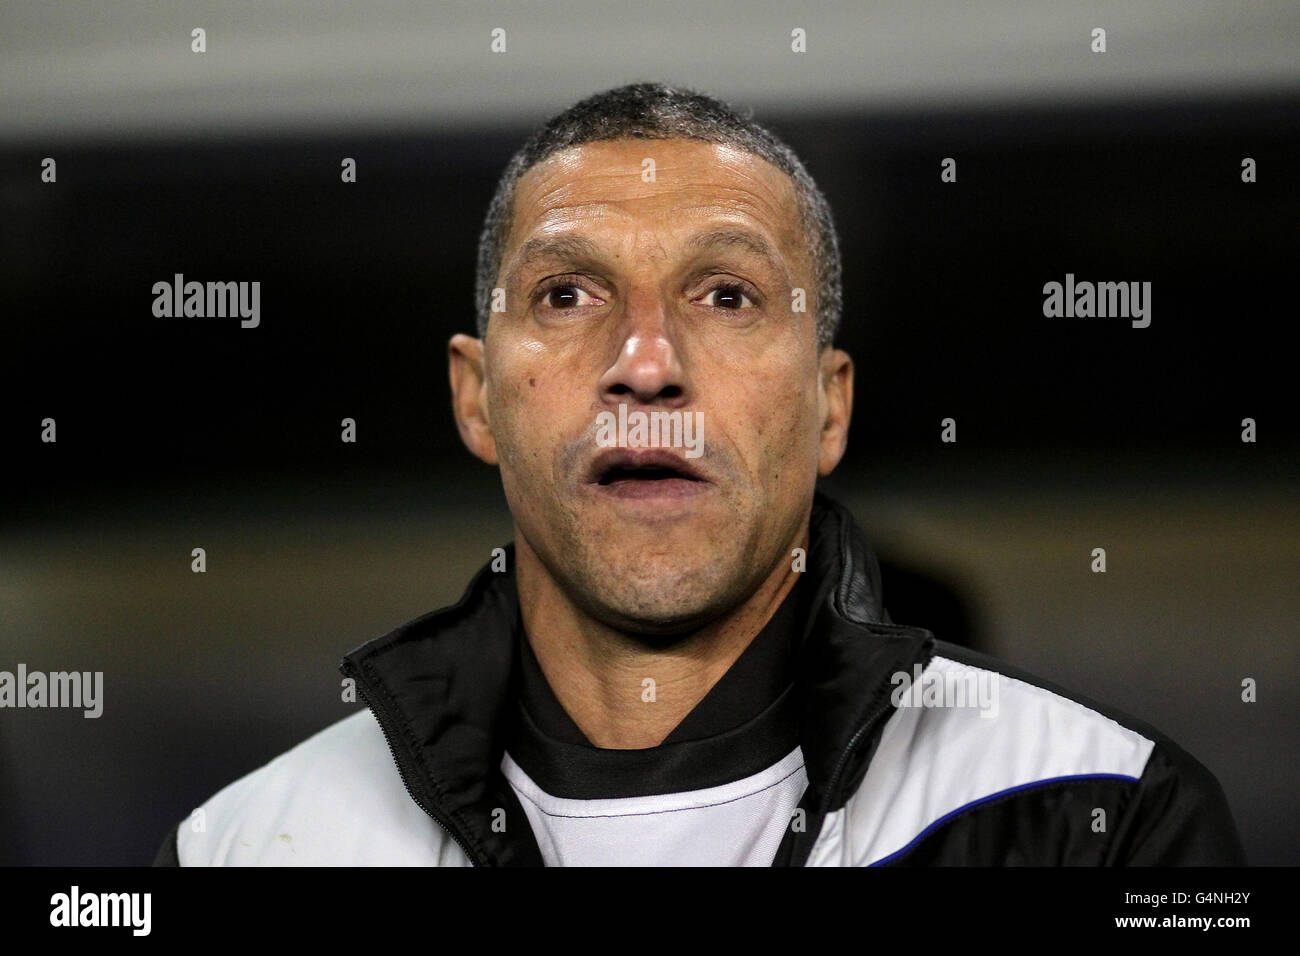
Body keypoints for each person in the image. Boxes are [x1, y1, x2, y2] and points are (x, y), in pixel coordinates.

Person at [155, 82, 1245, 866]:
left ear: (830, 403)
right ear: (475, 396)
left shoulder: (1100, 817)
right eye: (567, 295)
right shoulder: (244, 845)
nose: (645, 363)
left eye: (725, 295)